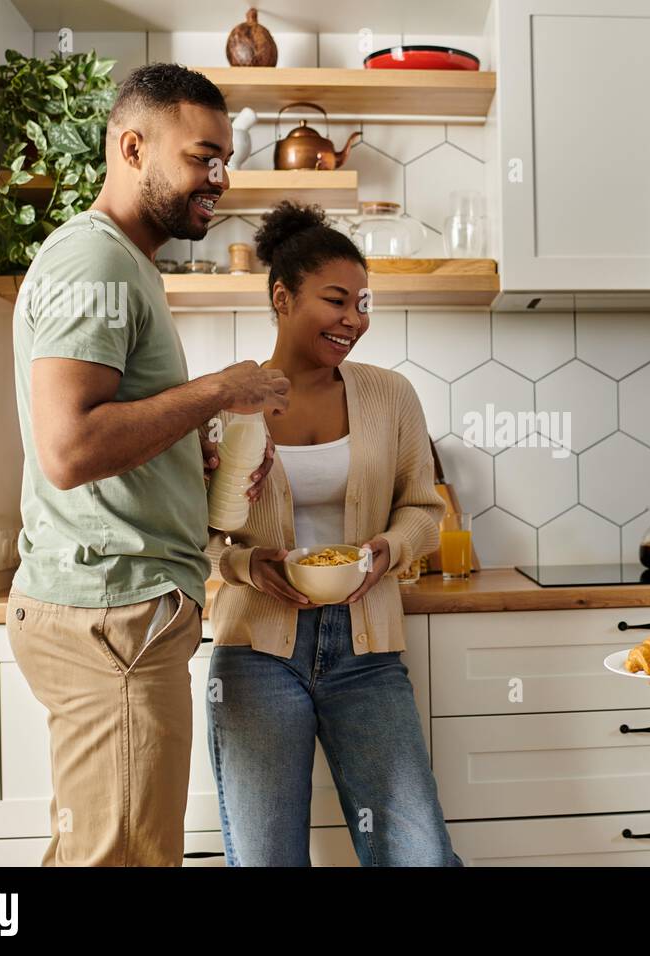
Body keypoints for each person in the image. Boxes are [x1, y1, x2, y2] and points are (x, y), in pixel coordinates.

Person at [7, 63, 288, 866]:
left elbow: (104, 433)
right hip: (111, 613)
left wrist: (186, 459)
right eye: (203, 157)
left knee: (119, 849)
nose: (220, 179)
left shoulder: (126, 265)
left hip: (124, 612)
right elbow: (68, 450)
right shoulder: (95, 263)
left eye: (224, 159)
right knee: (124, 857)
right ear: (132, 147)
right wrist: (217, 391)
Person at [202, 201, 460, 866]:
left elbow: (423, 511)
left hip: (367, 651)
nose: (354, 319)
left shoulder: (389, 395)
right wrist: (246, 565)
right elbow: (198, 535)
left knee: (418, 855)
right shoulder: (229, 401)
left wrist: (388, 549)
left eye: (363, 303)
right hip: (256, 651)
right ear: (283, 297)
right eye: (337, 300)